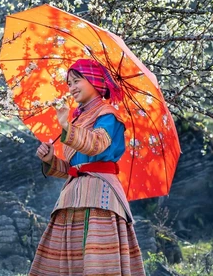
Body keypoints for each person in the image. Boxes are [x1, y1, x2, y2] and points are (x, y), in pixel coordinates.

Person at [30, 59, 146, 275]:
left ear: (94, 80)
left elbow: (97, 144)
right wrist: (50, 160)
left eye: (76, 81)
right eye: (69, 84)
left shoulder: (107, 114)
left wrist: (66, 126)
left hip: (99, 196)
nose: (71, 88)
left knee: (98, 259)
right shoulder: (79, 118)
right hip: (72, 197)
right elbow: (75, 168)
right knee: (70, 262)